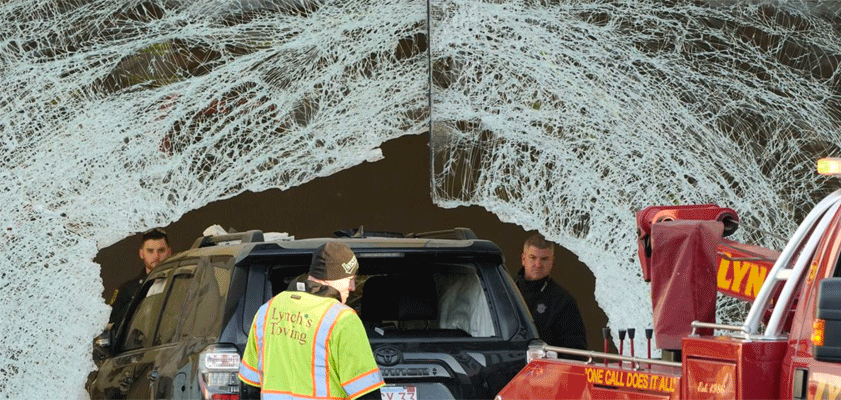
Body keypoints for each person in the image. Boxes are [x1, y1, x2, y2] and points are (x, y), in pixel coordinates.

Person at [238, 242, 384, 400]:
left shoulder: (267, 310)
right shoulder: (342, 319)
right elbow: (366, 393)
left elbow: (250, 387)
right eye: (351, 279)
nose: (353, 287)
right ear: (335, 276)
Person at [515, 233, 587, 350]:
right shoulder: (507, 290)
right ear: (523, 259)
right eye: (533, 258)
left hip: (544, 365)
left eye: (544, 259)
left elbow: (576, 349)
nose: (538, 265)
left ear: (552, 262)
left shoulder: (563, 301)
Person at [107, 227, 172, 327]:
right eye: (150, 251)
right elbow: (112, 326)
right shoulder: (127, 290)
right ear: (141, 253)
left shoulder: (181, 283)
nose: (156, 256)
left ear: (169, 252)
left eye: (161, 250)